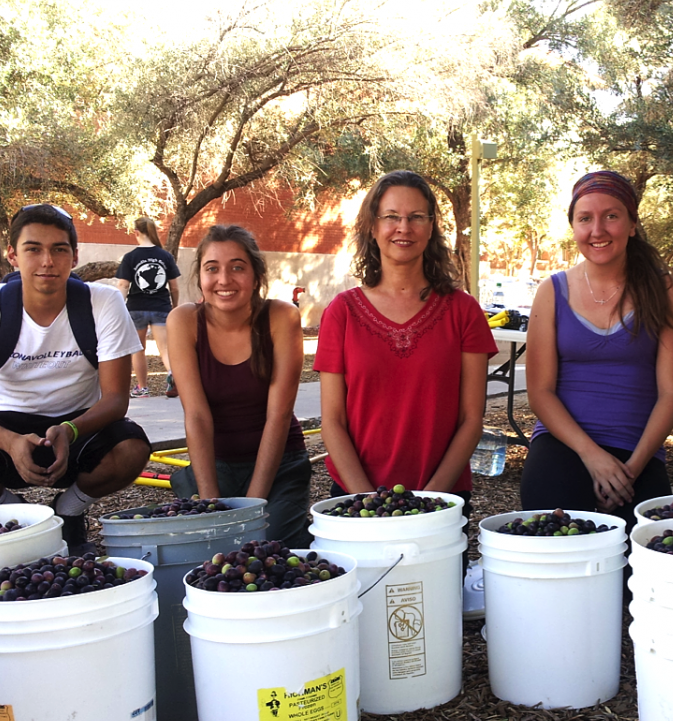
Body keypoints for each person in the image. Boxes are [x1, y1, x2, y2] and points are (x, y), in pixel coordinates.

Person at [0, 204, 151, 552]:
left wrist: (70, 429)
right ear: (13, 256)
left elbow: (116, 400)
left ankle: (70, 510)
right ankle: (18, 514)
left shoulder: (103, 303)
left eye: (59, 249)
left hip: (78, 426)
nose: (47, 261)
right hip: (5, 424)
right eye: (34, 249)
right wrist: (9, 441)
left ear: (74, 257)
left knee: (132, 448)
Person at [315, 170, 496, 512]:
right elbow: (333, 422)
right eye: (391, 217)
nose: (404, 227)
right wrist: (367, 503)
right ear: (373, 226)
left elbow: (472, 419)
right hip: (355, 501)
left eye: (416, 217)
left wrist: (430, 503)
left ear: (430, 228)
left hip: (442, 500)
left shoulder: (463, 311)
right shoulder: (342, 313)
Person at [519, 170, 673, 527]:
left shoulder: (664, 290)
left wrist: (630, 470)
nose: (597, 230)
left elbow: (672, 392)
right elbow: (540, 392)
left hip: (638, 450)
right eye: (585, 219)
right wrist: (592, 456)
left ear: (631, 224)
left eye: (611, 216)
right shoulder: (552, 292)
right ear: (574, 227)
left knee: (641, 562)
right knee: (555, 543)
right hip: (563, 443)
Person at [166, 225, 311, 547]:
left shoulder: (281, 317)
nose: (224, 280)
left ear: (256, 276)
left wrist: (252, 508)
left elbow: (279, 415)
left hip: (280, 463)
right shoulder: (184, 322)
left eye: (237, 267)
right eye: (212, 268)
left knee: (264, 543)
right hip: (215, 464)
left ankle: (291, 525)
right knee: (207, 544)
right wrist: (210, 505)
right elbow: (197, 416)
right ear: (200, 277)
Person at [116, 216, 181, 398]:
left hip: (136, 308)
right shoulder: (165, 256)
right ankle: (172, 375)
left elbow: (123, 285)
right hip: (161, 307)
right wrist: (175, 306)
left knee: (138, 349)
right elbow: (174, 286)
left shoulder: (130, 257)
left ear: (136, 233)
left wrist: (119, 307)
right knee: (165, 348)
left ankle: (142, 388)